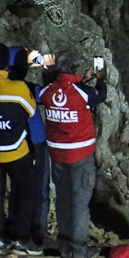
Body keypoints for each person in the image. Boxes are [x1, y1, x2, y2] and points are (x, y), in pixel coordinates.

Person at [39, 53, 107, 258]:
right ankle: (78, 249)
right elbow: (100, 95)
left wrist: (81, 80)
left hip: (57, 155)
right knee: (79, 202)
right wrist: (101, 78)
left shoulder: (48, 91)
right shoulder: (83, 93)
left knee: (62, 199)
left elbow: (65, 91)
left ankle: (65, 244)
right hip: (80, 154)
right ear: (76, 70)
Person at [5, 47, 49, 248]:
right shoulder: (27, 89)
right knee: (35, 189)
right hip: (33, 144)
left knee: (16, 190)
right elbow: (44, 98)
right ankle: (34, 231)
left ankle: (11, 228)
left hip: (9, 145)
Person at [0, 43, 38, 255]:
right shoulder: (18, 89)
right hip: (16, 151)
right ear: (7, 63)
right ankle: (22, 239)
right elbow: (31, 112)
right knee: (25, 192)